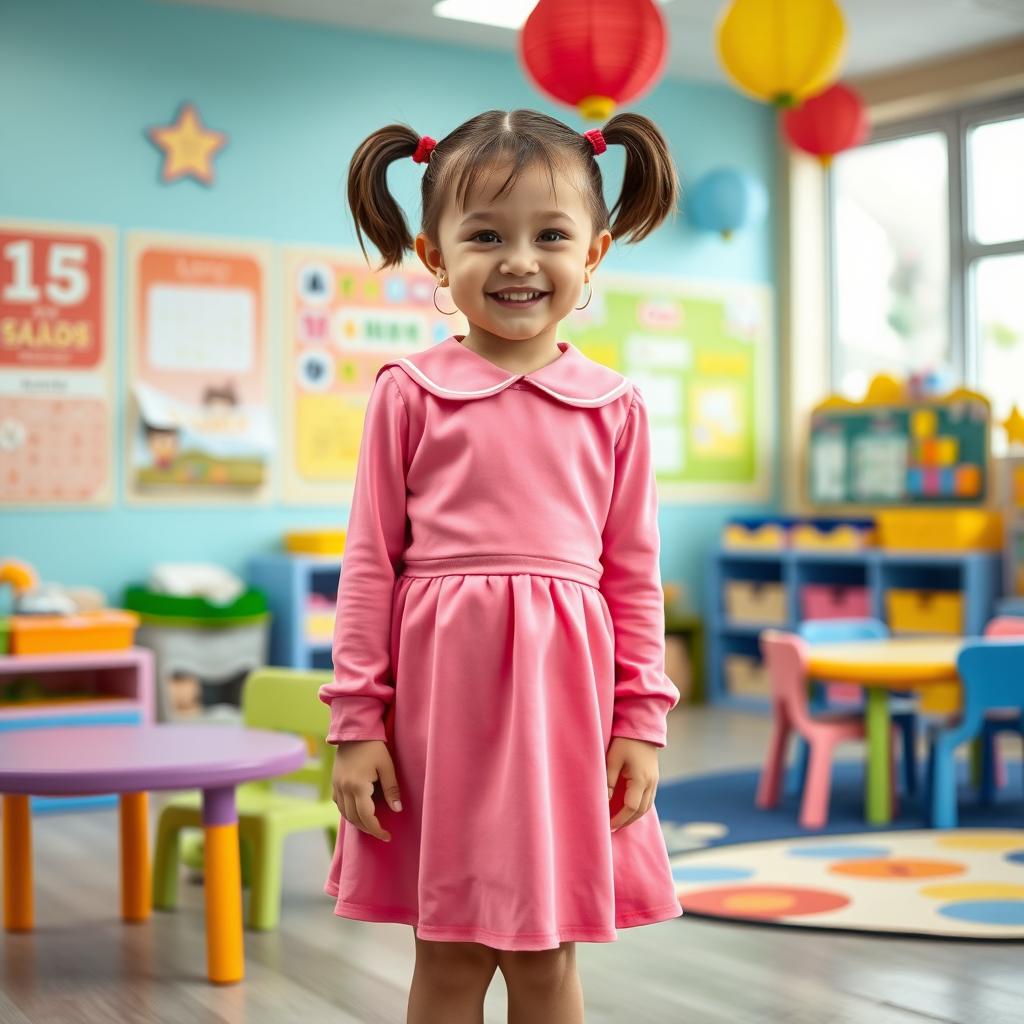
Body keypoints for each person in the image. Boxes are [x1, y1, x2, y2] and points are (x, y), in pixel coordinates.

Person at [319, 108, 683, 1024]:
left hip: (562, 712)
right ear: (435, 255)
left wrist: (640, 718)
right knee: (446, 953)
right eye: (485, 235)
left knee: (547, 956)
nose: (519, 260)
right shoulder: (410, 394)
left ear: (594, 251)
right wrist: (358, 722)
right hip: (439, 712)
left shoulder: (616, 408)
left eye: (549, 235)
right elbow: (370, 566)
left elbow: (635, 576)